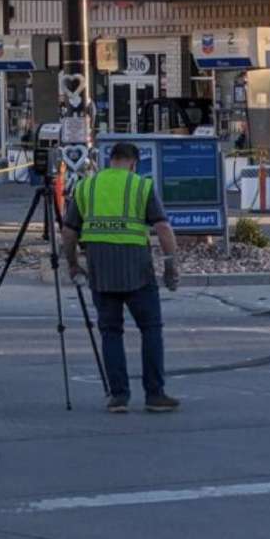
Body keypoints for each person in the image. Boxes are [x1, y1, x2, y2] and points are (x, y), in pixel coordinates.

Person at [61, 142, 182, 414]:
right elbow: (163, 228)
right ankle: (155, 394)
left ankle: (118, 396)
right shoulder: (142, 186)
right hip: (138, 270)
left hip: (101, 271)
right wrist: (171, 265)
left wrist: (72, 265)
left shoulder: (86, 187)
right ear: (133, 163)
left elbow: (69, 233)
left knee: (110, 332)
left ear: (110, 160)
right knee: (151, 329)